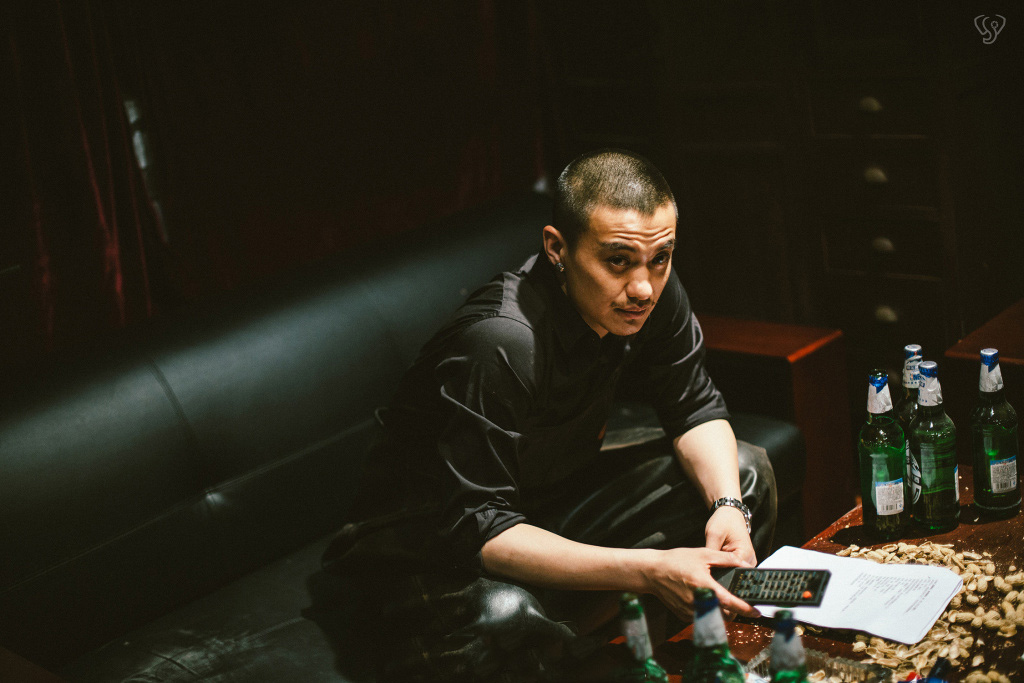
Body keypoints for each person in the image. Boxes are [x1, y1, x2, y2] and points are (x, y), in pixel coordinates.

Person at [313, 149, 777, 682]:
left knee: (743, 474)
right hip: (426, 546)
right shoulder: (501, 341)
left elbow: (693, 405)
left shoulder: (651, 291)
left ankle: (700, 665)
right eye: (618, 260)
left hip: (544, 499)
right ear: (557, 247)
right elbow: (480, 526)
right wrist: (649, 570)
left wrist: (727, 507)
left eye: (661, 257)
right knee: (502, 617)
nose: (644, 288)